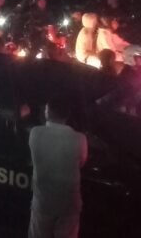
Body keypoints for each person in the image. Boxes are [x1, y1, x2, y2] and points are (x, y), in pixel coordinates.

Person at [29, 96, 88, 238]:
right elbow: (81, 163)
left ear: (47, 112)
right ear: (67, 115)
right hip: (69, 203)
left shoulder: (35, 133)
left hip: (44, 202)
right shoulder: (80, 139)